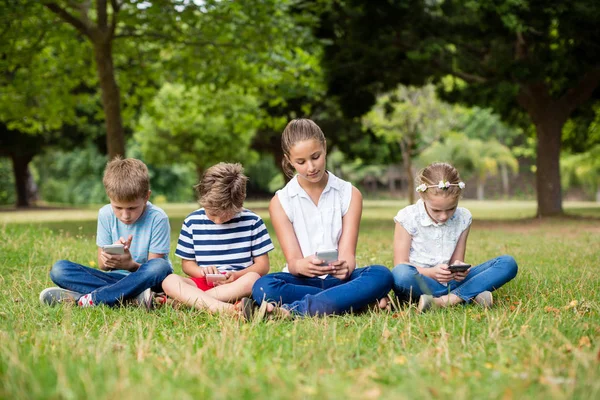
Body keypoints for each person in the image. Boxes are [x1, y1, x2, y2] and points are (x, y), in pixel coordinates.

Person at [251, 118, 393, 318]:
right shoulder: (281, 201)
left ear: (324, 147)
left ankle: (296, 310)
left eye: (315, 157)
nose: (311, 167)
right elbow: (293, 261)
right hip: (302, 280)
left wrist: (345, 267)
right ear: (288, 159)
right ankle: (355, 301)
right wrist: (302, 265)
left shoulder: (350, 193)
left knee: (382, 275)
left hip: (342, 279)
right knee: (263, 287)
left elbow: (348, 255)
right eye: (301, 162)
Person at [39, 157, 172, 309]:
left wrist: (130, 265)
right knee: (59, 269)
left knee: (160, 266)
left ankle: (90, 299)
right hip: (115, 278)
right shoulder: (105, 214)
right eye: (118, 208)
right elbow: (102, 266)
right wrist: (110, 258)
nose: (125, 216)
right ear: (109, 198)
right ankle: (133, 297)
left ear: (146, 196)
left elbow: (154, 268)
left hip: (148, 281)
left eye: (132, 208)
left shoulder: (158, 218)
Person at [391, 162, 518, 312]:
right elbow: (401, 264)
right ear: (422, 195)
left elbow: (456, 261)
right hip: (420, 281)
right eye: (436, 210)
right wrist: (431, 272)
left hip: (451, 283)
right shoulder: (407, 217)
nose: (444, 216)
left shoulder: (463, 217)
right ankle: (470, 294)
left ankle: (449, 300)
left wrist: (459, 270)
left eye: (451, 209)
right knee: (400, 274)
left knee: (507, 263)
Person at [161, 163, 274, 316]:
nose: (219, 220)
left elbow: (262, 266)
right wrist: (202, 272)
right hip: (202, 283)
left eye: (227, 214)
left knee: (253, 279)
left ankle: (190, 302)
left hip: (236, 285)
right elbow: (187, 264)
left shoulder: (253, 222)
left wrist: (236, 275)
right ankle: (224, 308)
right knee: (170, 281)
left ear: (239, 204)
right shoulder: (192, 221)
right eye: (213, 213)